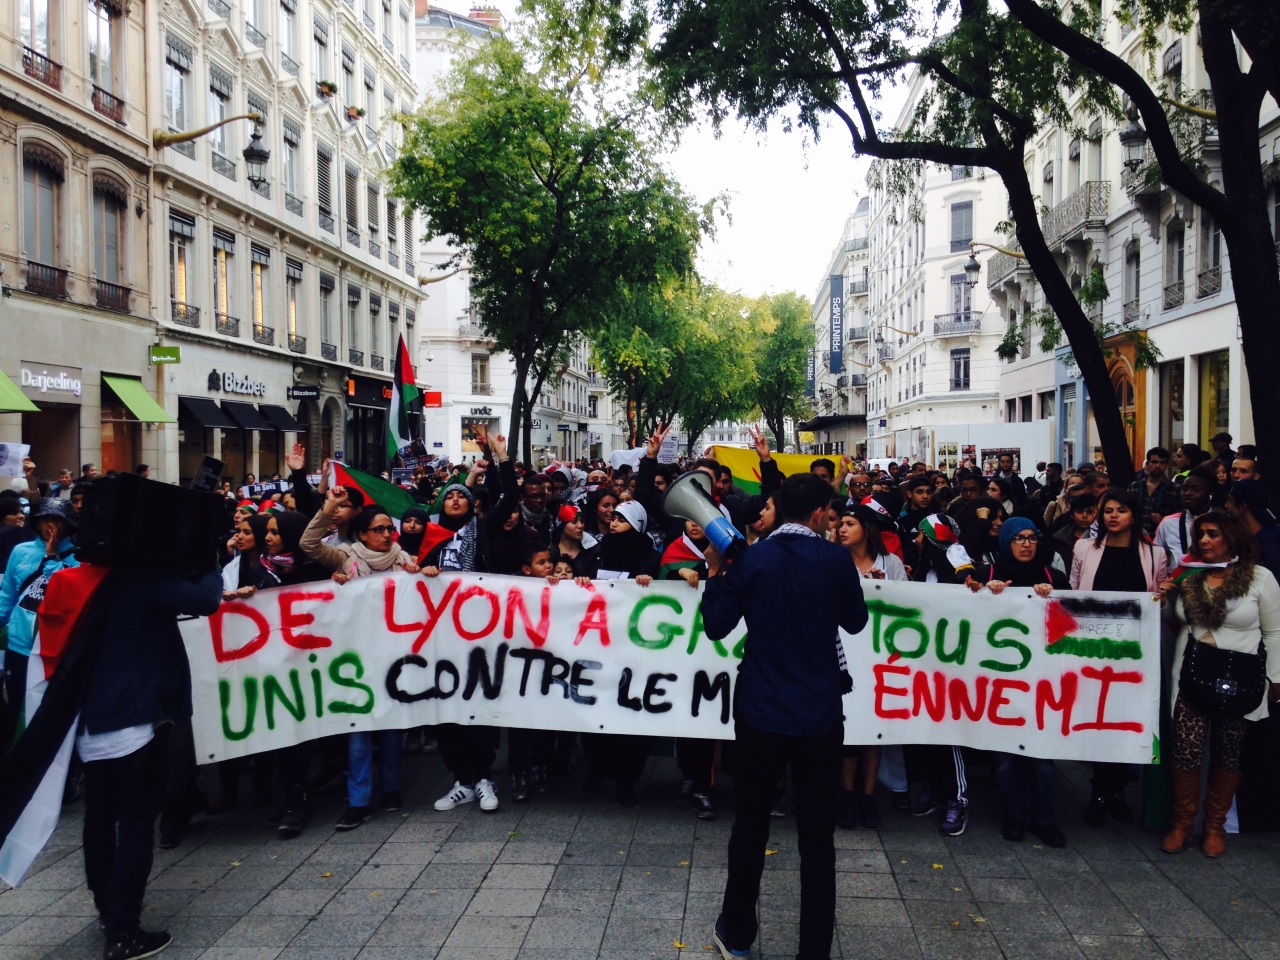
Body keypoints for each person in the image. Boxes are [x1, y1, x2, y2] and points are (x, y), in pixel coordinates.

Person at [699, 473, 867, 960]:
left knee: (750, 826)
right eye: (829, 513)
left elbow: (717, 626)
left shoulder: (753, 557)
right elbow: (855, 621)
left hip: (760, 710)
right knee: (817, 838)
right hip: (819, 714)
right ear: (817, 514)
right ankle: (813, 950)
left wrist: (716, 572)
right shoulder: (835, 559)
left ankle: (736, 934)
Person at [76, 556, 223, 960]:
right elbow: (206, 600)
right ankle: (123, 932)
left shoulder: (83, 578)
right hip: (135, 721)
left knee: (98, 819)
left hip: (90, 721)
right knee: (136, 824)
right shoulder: (141, 578)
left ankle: (108, 911)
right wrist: (208, 563)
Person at [1158, 510, 1280, 857]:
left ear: (1232, 537)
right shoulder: (1190, 576)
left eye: (1212, 534)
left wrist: (1276, 678)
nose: (1204, 541)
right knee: (1186, 750)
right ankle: (1182, 824)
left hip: (1240, 677)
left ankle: (1214, 827)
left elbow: (1275, 632)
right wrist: (1164, 598)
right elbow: (1174, 619)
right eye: (1201, 535)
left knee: (1228, 752)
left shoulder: (1260, 578)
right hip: (1192, 674)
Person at [300, 490, 421, 830]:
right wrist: (328, 508)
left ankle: (391, 788)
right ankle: (359, 801)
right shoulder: (345, 557)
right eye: (379, 530)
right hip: (356, 658)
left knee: (393, 725)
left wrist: (423, 574)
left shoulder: (403, 559)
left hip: (394, 655)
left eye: (389, 529)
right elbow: (308, 545)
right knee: (359, 730)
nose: (387, 534)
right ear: (363, 534)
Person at [966, 518, 1069, 848]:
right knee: (1005, 758)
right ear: (1005, 542)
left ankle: (1044, 819)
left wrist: (1054, 598)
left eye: (1032, 538)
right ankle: (1014, 816)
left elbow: (1071, 626)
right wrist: (985, 593)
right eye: (1018, 539)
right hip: (1000, 684)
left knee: (1042, 759)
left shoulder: (1055, 578)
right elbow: (967, 615)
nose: (1026, 544)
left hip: (1043, 684)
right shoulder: (987, 574)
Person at [1069, 489, 1169, 826]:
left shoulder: (1154, 554)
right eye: (1108, 510)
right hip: (1093, 649)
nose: (1113, 516)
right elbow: (1072, 591)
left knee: (1125, 719)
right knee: (1099, 718)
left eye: (1121, 510)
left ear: (1133, 515)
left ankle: (1117, 790)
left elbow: (1160, 597)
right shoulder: (1084, 548)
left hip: (1134, 652)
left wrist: (1164, 595)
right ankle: (1099, 790)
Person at [834, 504, 906, 830]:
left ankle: (868, 795)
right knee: (849, 725)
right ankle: (848, 794)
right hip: (846, 654)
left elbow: (908, 603)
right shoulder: (835, 561)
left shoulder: (891, 563)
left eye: (849, 524)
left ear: (866, 528)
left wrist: (885, 588)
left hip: (881, 656)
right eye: (840, 524)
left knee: (874, 726)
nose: (842, 529)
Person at [0, 499, 80, 752]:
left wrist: (52, 555)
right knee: (15, 705)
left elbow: (63, 593)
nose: (50, 526)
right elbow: (7, 595)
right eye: (46, 520)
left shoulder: (77, 558)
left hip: (53, 651)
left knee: (46, 711)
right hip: (19, 646)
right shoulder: (21, 551)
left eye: (57, 521)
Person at [1153, 466, 1215, 560]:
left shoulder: (1222, 523)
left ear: (1210, 494)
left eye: (1196, 489)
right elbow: (1156, 558)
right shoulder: (1169, 523)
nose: (1187, 493)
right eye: (1185, 488)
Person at [1225, 479, 1280, 580]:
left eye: (1229, 500)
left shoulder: (1270, 546)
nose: (1226, 505)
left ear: (1242, 506)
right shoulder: (1243, 537)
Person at [1129, 447, 1179, 538]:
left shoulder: (1175, 489)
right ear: (1148, 464)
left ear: (1167, 465)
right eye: (1154, 462)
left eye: (1162, 462)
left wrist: (1164, 520)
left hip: (1162, 537)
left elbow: (1179, 517)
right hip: (1135, 537)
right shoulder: (1134, 486)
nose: (1158, 466)